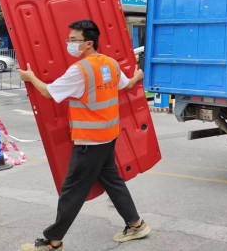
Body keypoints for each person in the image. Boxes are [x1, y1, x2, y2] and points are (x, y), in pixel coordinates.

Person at [19, 19, 151, 251]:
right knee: (112, 180)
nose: (69, 44)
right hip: (108, 136)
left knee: (72, 191)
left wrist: (30, 77)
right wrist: (137, 77)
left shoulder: (79, 70)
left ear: (88, 43)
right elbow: (126, 85)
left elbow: (48, 92)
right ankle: (136, 225)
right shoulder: (110, 63)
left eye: (73, 40)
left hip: (90, 141)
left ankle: (53, 242)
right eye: (69, 39)